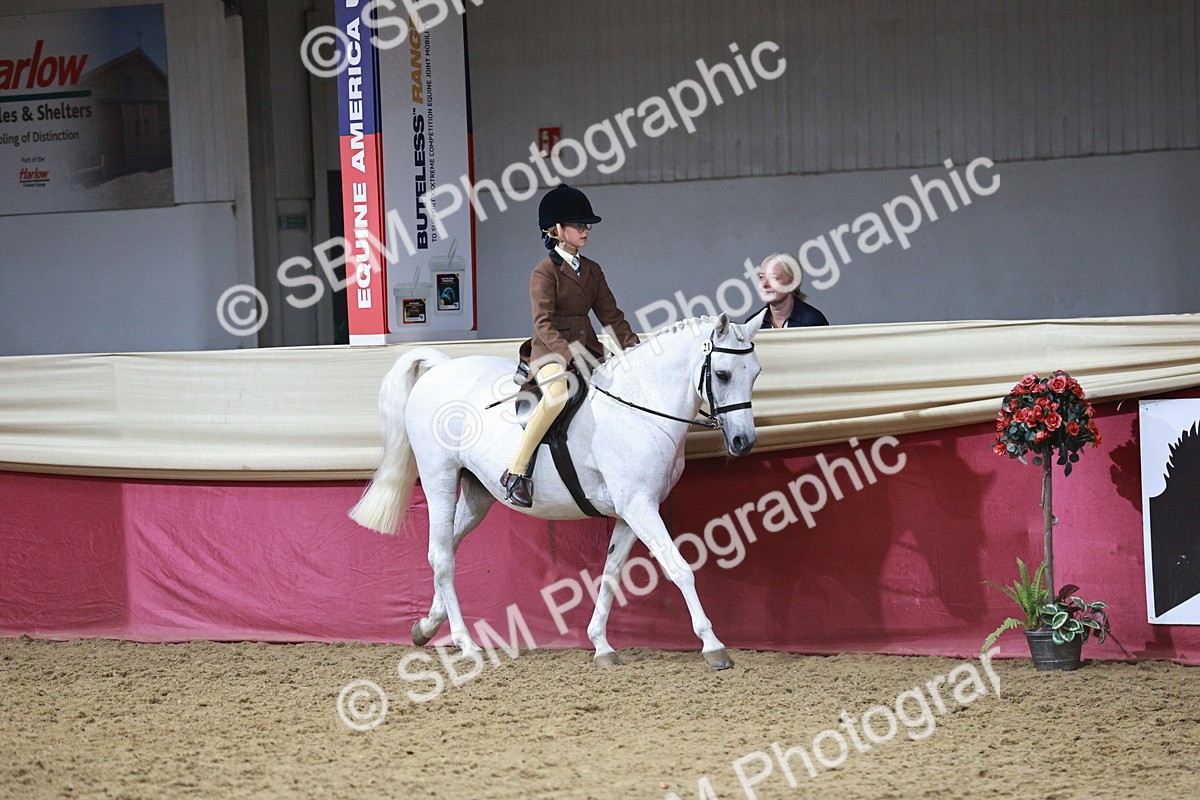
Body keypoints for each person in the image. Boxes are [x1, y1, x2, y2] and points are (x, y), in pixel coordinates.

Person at [499, 184, 640, 508]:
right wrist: (569, 354)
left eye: (586, 224)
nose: (586, 230)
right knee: (558, 394)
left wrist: (634, 349)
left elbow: (611, 316)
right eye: (578, 225)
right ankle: (516, 472)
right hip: (551, 352)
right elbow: (543, 324)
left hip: (589, 350)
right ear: (556, 229)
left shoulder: (592, 270)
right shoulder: (544, 272)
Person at [747, 253, 829, 328]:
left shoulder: (813, 322)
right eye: (762, 277)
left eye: (774, 278)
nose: (764, 284)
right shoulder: (752, 324)